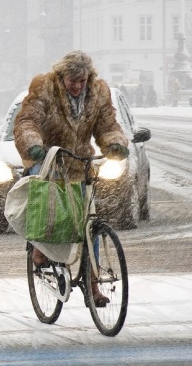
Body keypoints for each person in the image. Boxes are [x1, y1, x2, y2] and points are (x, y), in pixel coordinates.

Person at [13, 50, 129, 306]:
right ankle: (40, 252)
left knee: (90, 225)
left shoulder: (98, 92)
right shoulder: (45, 87)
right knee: (49, 208)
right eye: (72, 81)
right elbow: (27, 121)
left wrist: (114, 144)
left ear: (89, 78)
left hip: (79, 162)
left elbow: (107, 126)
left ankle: (92, 284)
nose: (77, 86)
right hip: (48, 158)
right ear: (62, 76)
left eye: (82, 81)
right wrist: (34, 146)